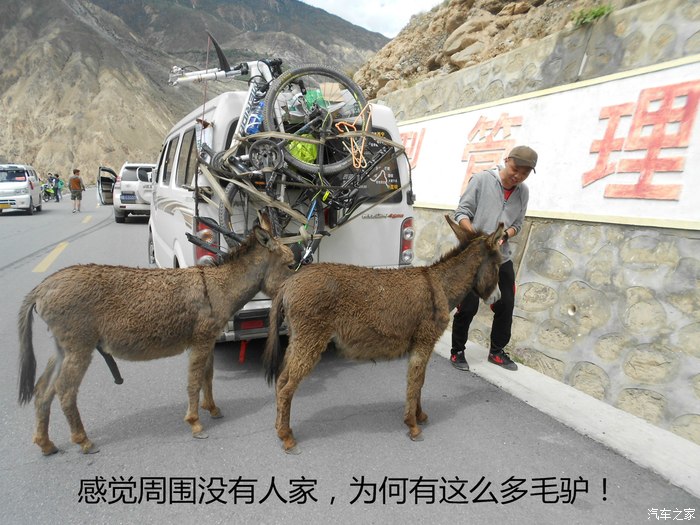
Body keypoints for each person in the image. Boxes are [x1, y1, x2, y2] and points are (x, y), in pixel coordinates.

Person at [450, 145, 538, 372]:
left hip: (501, 257)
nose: (518, 176)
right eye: (516, 169)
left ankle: (496, 351)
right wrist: (476, 236)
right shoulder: (481, 180)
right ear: (507, 161)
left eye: (525, 173)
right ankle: (457, 350)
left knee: (506, 305)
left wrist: (504, 235)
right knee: (468, 306)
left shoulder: (523, 192)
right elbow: (461, 213)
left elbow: (518, 224)